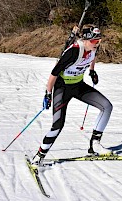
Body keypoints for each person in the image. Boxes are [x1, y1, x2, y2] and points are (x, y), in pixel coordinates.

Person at [31, 24, 113, 165]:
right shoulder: (73, 52)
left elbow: (92, 57)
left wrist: (92, 71)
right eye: (94, 41)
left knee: (107, 106)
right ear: (86, 39)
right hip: (62, 88)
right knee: (58, 125)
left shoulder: (93, 48)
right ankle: (39, 156)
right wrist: (48, 94)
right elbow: (53, 74)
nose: (97, 43)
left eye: (99, 40)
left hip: (78, 85)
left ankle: (94, 145)